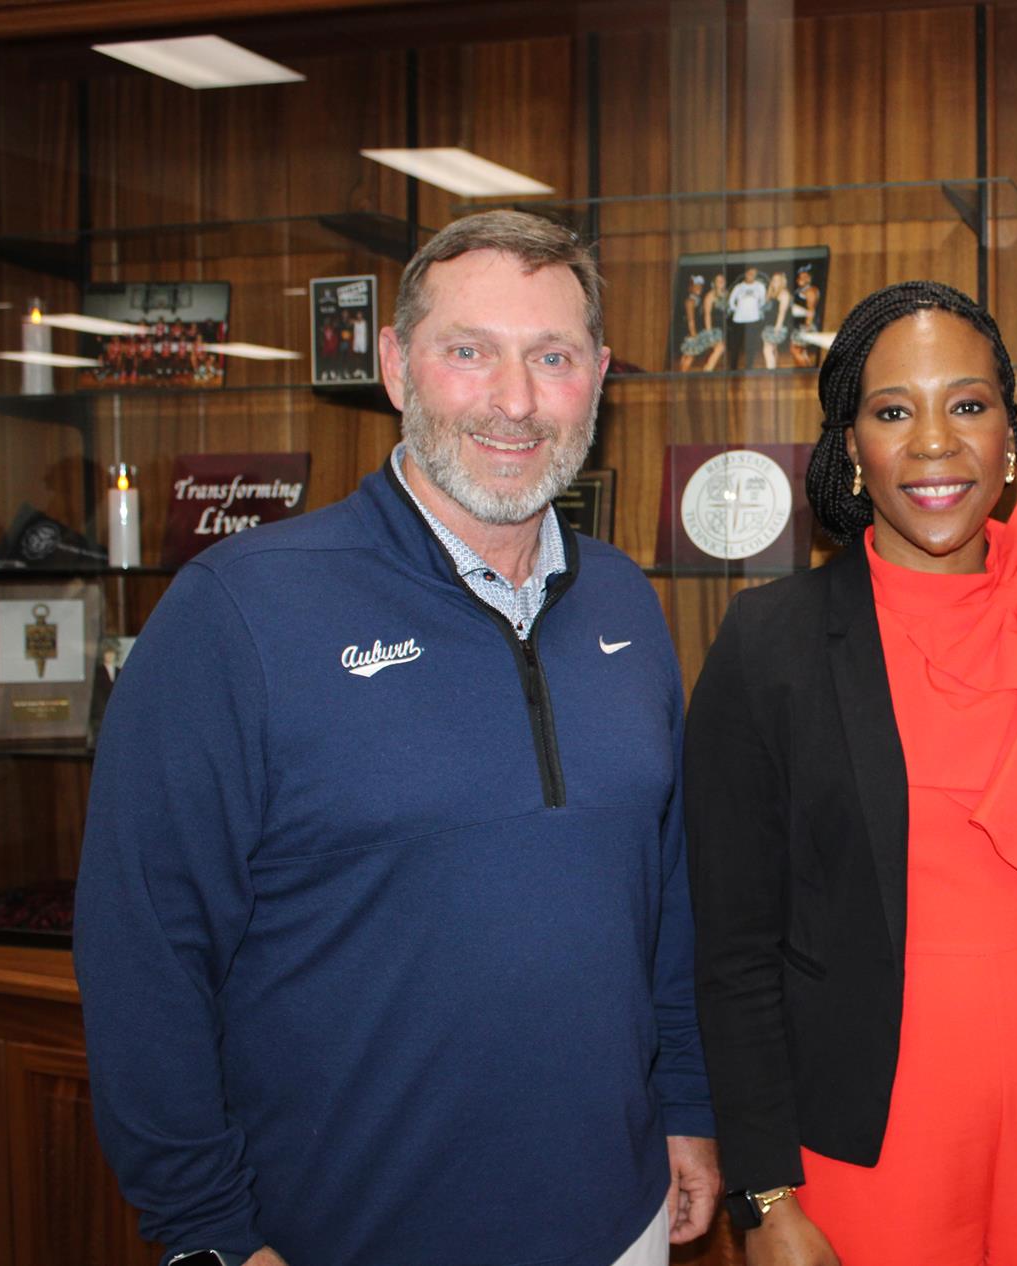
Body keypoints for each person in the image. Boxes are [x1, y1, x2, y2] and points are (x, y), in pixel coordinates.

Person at [74, 209, 719, 1266]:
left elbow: (666, 888)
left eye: (551, 358)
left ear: (598, 377)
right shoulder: (238, 611)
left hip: (621, 1218)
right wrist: (208, 1236)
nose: (513, 401)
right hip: (341, 1235)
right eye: (469, 352)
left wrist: (686, 1102)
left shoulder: (623, 601)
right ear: (395, 364)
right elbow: (144, 948)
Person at [686, 280, 1017, 1266]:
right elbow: (733, 947)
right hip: (867, 1150)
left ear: (1010, 434)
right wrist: (764, 1193)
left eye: (967, 405)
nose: (932, 444)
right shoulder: (769, 643)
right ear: (849, 446)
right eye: (891, 411)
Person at [727, 265, 768, 370]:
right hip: (738, 320)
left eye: (754, 274)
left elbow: (763, 301)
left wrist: (755, 310)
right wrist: (738, 310)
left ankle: (749, 366)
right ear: (746, 274)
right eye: (750, 273)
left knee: (751, 345)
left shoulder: (760, 286)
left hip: (753, 320)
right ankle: (733, 368)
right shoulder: (739, 287)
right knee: (736, 345)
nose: (752, 275)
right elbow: (731, 302)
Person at [788, 264, 821, 367]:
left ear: (810, 278)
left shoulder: (810, 291)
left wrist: (807, 327)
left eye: (805, 276)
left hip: (805, 326)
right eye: (800, 277)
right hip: (799, 325)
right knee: (801, 351)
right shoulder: (800, 290)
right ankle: (808, 372)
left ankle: (807, 372)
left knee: (795, 349)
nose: (802, 279)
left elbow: (811, 310)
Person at [760, 270, 792, 369]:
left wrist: (777, 330)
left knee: (767, 349)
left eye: (778, 280)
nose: (774, 282)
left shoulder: (784, 294)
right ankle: (774, 371)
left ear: (782, 282)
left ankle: (771, 372)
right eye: (773, 280)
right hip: (769, 325)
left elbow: (782, 313)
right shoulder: (772, 293)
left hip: (778, 326)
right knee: (773, 349)